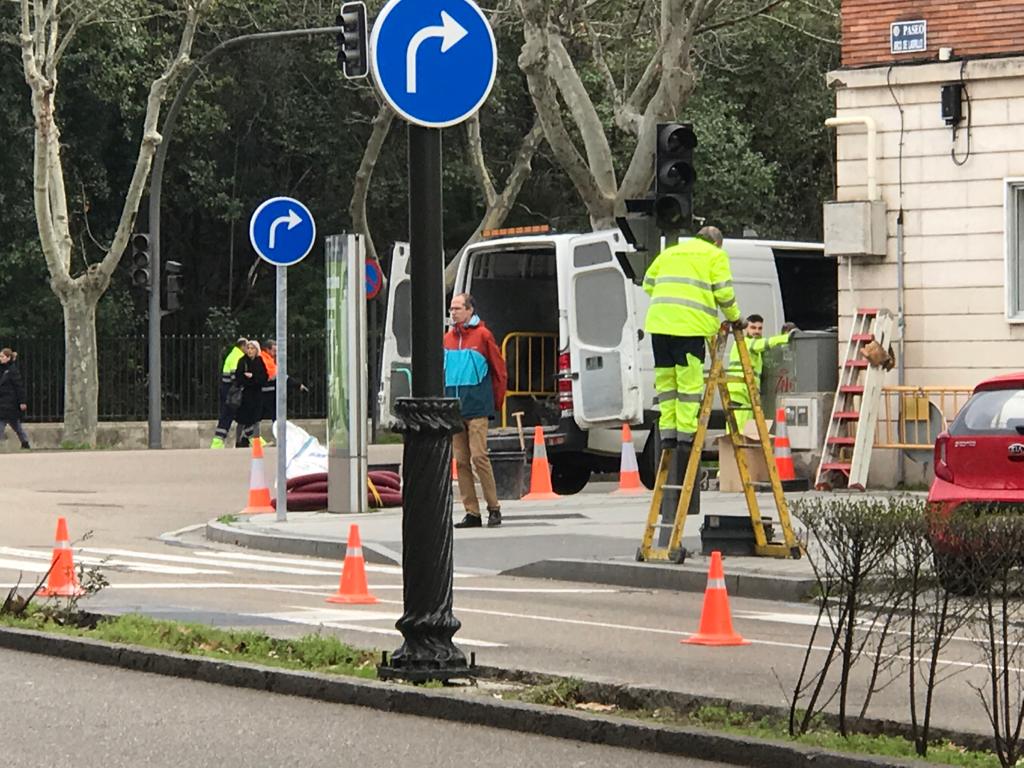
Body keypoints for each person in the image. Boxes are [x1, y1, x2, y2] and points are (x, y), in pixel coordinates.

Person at [642, 225, 742, 448]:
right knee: (689, 384)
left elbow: (648, 284)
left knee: (666, 384)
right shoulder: (715, 255)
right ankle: (686, 436)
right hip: (689, 329)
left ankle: (667, 434)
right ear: (716, 243)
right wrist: (735, 318)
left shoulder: (669, 252)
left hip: (659, 325)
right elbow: (724, 293)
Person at [444, 293, 508, 529]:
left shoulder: (483, 336)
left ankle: (494, 507)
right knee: (460, 461)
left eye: (458, 308)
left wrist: (495, 403)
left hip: (478, 407)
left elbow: (498, 371)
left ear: (470, 311)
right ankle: (472, 511)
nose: (453, 313)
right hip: (456, 409)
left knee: (479, 456)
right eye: (451, 309)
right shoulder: (447, 339)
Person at [726, 315, 796, 433]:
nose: (756, 331)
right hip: (740, 392)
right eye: (753, 328)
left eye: (759, 328)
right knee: (739, 430)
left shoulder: (753, 349)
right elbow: (766, 343)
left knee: (740, 430)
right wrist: (786, 338)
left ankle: (734, 450)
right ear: (746, 329)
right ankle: (732, 451)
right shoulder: (747, 343)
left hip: (744, 392)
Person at [211, 337, 247, 449]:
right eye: (247, 347)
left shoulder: (233, 355)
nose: (248, 349)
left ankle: (218, 441)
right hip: (231, 391)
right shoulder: (238, 356)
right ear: (242, 346)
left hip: (227, 389)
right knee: (229, 415)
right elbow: (234, 376)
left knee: (236, 414)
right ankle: (217, 442)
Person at [234, 340, 268, 448]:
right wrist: (247, 379)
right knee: (242, 420)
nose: (250, 350)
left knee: (256, 419)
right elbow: (238, 378)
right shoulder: (242, 361)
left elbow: (264, 377)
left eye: (252, 348)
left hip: (257, 394)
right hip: (245, 394)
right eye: (248, 348)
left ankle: (255, 441)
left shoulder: (259, 361)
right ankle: (239, 440)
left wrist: (253, 377)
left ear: (256, 350)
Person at [0, 348, 30, 449]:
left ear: (8, 358)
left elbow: (18, 386)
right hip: (4, 402)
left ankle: (25, 442)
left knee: (4, 423)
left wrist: (22, 401)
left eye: (2, 356)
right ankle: (25, 441)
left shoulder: (12, 370)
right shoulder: (3, 369)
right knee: (16, 425)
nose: (0, 358)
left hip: (9, 403)